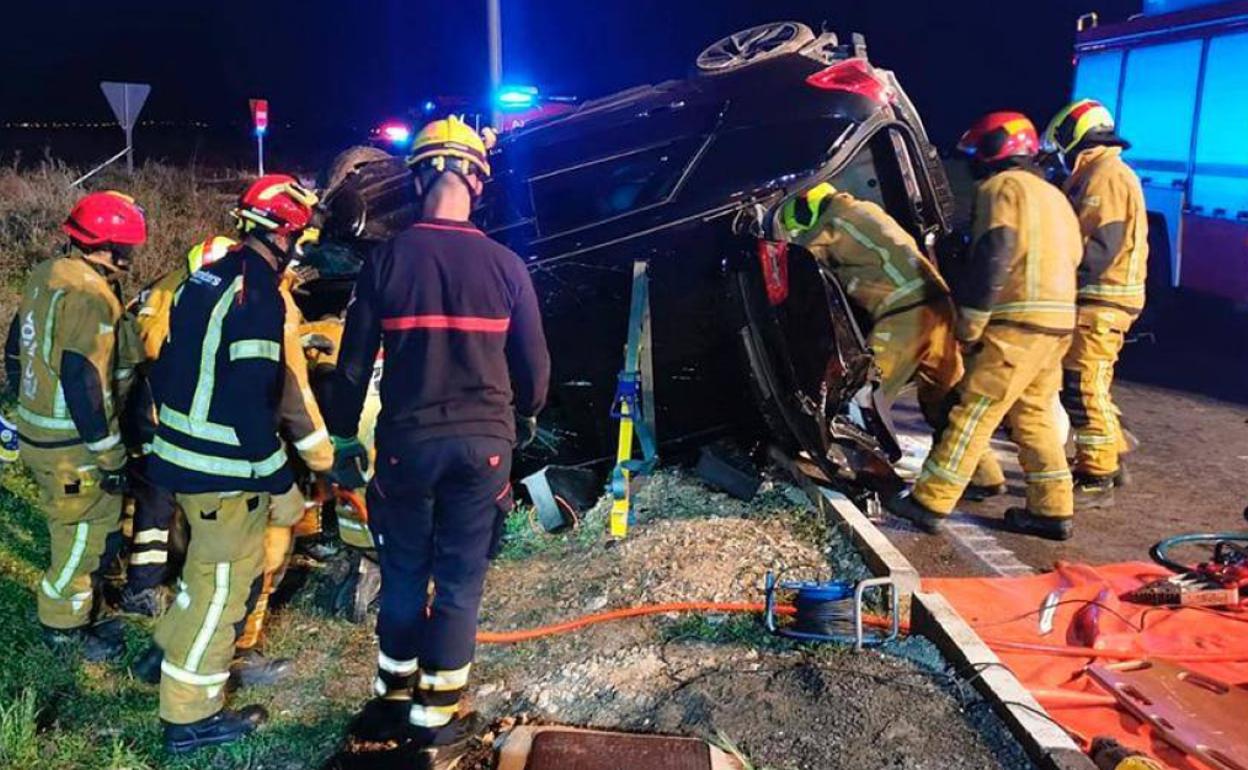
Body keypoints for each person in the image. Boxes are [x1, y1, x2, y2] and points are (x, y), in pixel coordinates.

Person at [327, 116, 550, 764]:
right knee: (458, 585)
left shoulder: (386, 260)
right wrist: (525, 417)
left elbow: (351, 365)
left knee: (403, 575)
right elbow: (535, 370)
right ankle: (433, 717)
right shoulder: (506, 266)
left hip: (407, 446)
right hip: (482, 450)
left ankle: (391, 699)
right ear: (477, 181)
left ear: (418, 178)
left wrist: (343, 439)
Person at [143, 175, 322, 752]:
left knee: (200, 575)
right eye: (302, 237)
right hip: (223, 471)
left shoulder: (208, 273)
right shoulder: (261, 297)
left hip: (179, 458)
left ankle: (166, 654)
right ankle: (188, 717)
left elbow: (167, 367)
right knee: (221, 591)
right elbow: (252, 400)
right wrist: (279, 481)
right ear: (288, 233)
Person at [888, 113, 1083, 541]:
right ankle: (1051, 510)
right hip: (1057, 324)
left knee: (973, 411)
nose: (973, 162)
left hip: (1018, 322)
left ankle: (929, 501)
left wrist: (970, 324)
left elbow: (995, 253)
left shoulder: (1001, 189)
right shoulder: (1054, 196)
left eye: (976, 152)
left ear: (993, 150)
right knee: (1033, 415)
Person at [778, 183, 1007, 499]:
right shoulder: (867, 210)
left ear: (808, 206)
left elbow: (794, 259)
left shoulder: (833, 220)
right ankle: (985, 476)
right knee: (945, 399)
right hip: (939, 307)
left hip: (905, 314)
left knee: (863, 397)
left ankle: (879, 480)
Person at [13, 191, 146, 661]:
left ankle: (81, 606)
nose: (130, 256)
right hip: (71, 446)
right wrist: (109, 453)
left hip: (38, 431)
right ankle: (63, 627)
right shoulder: (91, 296)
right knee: (83, 536)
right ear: (111, 245)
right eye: (127, 247)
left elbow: (16, 345)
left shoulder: (47, 275)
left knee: (72, 527)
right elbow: (83, 376)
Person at [118, 236, 237, 617]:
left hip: (158, 405)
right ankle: (142, 587)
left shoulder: (178, 284)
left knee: (154, 498)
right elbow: (150, 346)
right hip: (152, 408)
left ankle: (143, 572)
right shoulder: (172, 293)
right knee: (157, 496)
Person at [1044, 99, 1148, 504]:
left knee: (1082, 387)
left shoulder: (1106, 176)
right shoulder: (1103, 172)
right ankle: (1111, 451)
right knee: (1088, 385)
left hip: (1101, 302)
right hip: (1101, 301)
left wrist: (1059, 284)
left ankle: (1097, 472)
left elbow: (1099, 245)